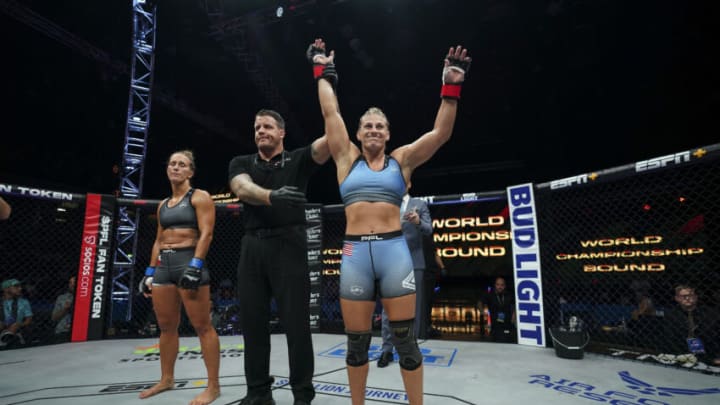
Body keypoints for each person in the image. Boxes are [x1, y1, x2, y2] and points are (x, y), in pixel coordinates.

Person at [310, 38, 471, 404]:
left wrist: (452, 87)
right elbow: (330, 112)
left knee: (405, 341)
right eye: (367, 125)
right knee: (356, 344)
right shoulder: (345, 157)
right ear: (358, 132)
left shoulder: (403, 161)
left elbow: (441, 133)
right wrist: (322, 71)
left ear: (388, 133)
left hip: (394, 252)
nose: (373, 131)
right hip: (355, 257)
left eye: (379, 126)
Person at [227, 109, 330, 405]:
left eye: (268, 126)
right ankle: (258, 392)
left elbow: (335, 139)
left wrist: (327, 85)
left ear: (282, 132)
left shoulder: (298, 159)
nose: (261, 131)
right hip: (253, 247)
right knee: (253, 324)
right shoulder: (242, 162)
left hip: (289, 244)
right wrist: (271, 196)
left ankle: (302, 395)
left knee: (297, 325)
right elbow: (240, 188)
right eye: (257, 126)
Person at [138, 150, 221, 405]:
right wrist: (149, 272)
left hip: (188, 261)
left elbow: (206, 233)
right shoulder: (163, 204)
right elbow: (158, 240)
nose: (175, 167)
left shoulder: (199, 196)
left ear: (190, 172)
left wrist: (195, 265)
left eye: (181, 164)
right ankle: (166, 379)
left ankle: (213, 387)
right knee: (166, 326)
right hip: (164, 265)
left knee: (202, 326)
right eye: (172, 163)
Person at [378, 190, 432, 368]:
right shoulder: (386, 205)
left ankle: (410, 350)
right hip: (390, 263)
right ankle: (387, 350)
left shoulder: (419, 204)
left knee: (413, 308)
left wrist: (417, 222)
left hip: (414, 262)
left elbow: (428, 229)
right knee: (388, 309)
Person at [663, 285, 719, 366]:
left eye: (690, 295)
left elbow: (714, 337)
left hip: (708, 353)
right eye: (684, 296)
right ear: (677, 298)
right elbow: (669, 337)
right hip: (681, 352)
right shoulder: (672, 315)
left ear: (696, 297)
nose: (687, 298)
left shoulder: (711, 314)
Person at [0, 279, 33, 349]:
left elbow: (29, 319)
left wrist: (20, 324)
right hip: (2, 327)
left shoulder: (24, 302)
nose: (20, 288)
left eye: (20, 286)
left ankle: (8, 337)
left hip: (16, 329)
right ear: (6, 289)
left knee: (15, 325)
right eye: (16, 286)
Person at [482, 276, 516, 343]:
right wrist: (482, 312)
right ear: (495, 285)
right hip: (495, 328)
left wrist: (514, 315)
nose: (500, 287)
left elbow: (516, 305)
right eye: (498, 284)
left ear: (505, 286)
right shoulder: (490, 295)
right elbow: (480, 302)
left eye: (502, 285)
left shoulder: (509, 295)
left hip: (508, 326)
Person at [51, 275, 76, 343]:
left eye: (74, 282)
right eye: (70, 283)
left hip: (78, 330)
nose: (72, 285)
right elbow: (54, 318)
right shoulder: (62, 298)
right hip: (63, 330)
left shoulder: (86, 298)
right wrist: (65, 309)